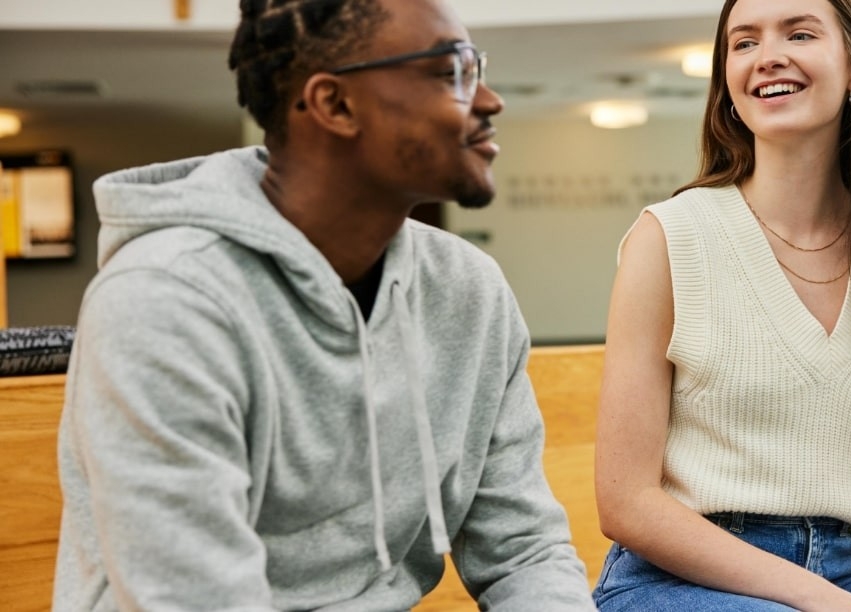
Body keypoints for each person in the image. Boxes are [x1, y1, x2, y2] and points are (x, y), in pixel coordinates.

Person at [52, 0, 597, 610]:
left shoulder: (468, 289)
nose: (490, 101)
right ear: (335, 104)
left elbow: (525, 552)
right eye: (452, 73)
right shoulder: (164, 302)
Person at [592, 0, 851, 610]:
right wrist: (823, 604)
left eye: (798, 33)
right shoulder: (668, 237)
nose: (767, 56)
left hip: (841, 572)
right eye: (743, 43)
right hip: (673, 582)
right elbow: (626, 503)